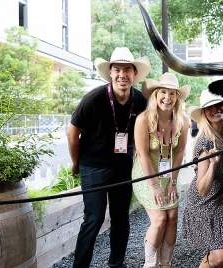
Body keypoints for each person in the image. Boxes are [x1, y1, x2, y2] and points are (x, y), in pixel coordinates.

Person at [67, 47, 150, 268]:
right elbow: (72, 131)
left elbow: (148, 131)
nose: (122, 74)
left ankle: (116, 263)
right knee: (93, 218)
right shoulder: (94, 98)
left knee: (121, 217)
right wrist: (76, 163)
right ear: (110, 73)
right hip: (93, 166)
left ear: (134, 74)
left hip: (122, 167)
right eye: (117, 70)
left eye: (127, 70)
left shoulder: (140, 101)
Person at [182, 88, 223, 268]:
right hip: (206, 206)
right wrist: (212, 165)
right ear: (204, 113)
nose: (216, 109)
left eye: (219, 105)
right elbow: (202, 189)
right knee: (219, 256)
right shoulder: (205, 143)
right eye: (210, 107)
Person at [132, 72, 190, 267]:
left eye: (172, 93)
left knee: (172, 217)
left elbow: (180, 151)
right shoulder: (143, 120)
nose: (168, 97)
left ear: (177, 97)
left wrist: (173, 182)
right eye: (163, 92)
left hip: (168, 175)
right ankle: (150, 264)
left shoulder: (183, 120)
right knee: (159, 219)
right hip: (146, 174)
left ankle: (165, 263)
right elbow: (143, 155)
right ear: (155, 95)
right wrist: (155, 186)